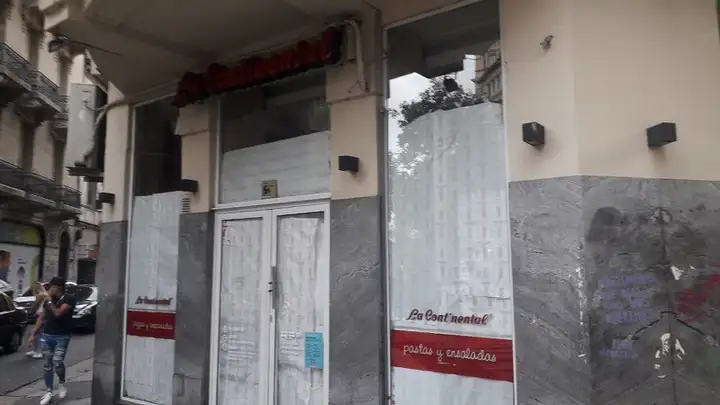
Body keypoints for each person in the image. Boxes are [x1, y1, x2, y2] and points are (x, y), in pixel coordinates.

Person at [28, 277, 76, 405]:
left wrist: (49, 301)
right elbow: (41, 317)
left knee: (57, 362)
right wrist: (33, 334)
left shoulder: (69, 299)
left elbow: (58, 313)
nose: (48, 290)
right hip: (47, 335)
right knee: (47, 365)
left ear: (58, 287)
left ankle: (61, 383)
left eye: (51, 287)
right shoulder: (48, 301)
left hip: (62, 336)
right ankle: (49, 391)